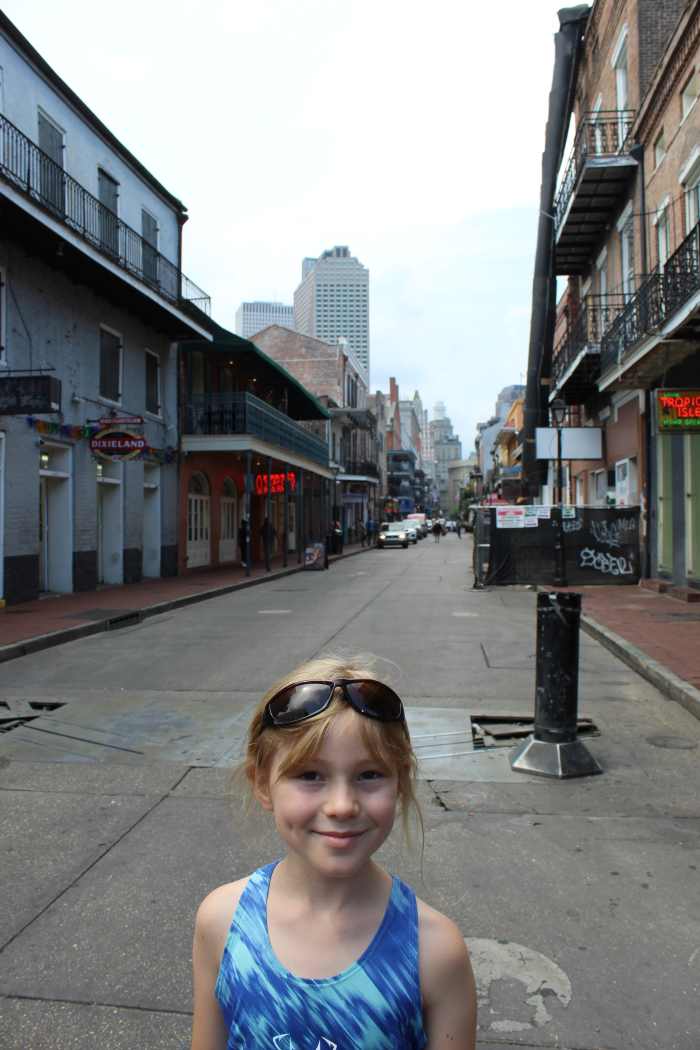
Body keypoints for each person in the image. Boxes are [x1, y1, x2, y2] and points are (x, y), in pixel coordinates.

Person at [191, 657, 477, 1049]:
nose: (342, 805)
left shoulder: (436, 951)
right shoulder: (222, 922)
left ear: (401, 783)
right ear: (261, 784)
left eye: (369, 775)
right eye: (310, 776)